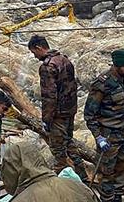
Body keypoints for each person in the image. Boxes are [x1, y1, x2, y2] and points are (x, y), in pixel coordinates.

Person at [84, 48, 124, 202]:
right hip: (108, 138)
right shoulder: (102, 84)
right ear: (118, 65)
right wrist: (98, 137)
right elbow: (89, 114)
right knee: (107, 176)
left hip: (123, 135)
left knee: (121, 172)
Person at [28, 35, 87, 182]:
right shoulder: (65, 60)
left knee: (58, 150)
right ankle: (83, 175)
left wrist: (46, 119)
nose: (35, 57)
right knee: (69, 143)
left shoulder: (48, 67)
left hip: (57, 115)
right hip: (69, 111)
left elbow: (49, 96)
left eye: (34, 53)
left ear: (39, 48)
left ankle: (61, 184)